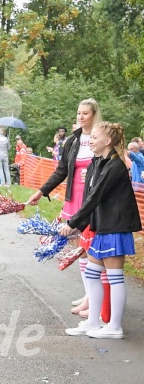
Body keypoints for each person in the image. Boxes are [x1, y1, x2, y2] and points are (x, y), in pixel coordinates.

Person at [60, 122, 141, 339]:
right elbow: (89, 198)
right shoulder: (98, 162)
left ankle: (114, 327)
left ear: (107, 141)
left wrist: (73, 223)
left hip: (115, 227)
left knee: (115, 278)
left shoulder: (115, 166)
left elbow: (96, 197)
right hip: (101, 227)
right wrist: (81, 225)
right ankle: (93, 322)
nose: (91, 140)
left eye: (94, 137)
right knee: (92, 273)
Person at [27, 98, 102, 317]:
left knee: (91, 247)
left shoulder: (100, 137)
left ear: (94, 115)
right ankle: (88, 293)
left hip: (93, 198)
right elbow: (62, 171)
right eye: (78, 113)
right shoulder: (73, 140)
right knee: (79, 247)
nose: (80, 117)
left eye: (85, 113)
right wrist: (41, 191)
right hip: (74, 196)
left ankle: (93, 298)